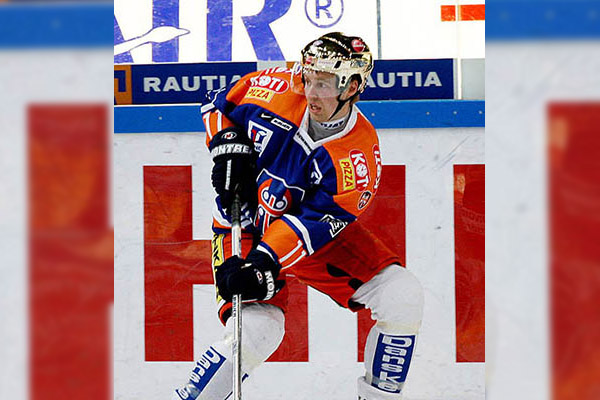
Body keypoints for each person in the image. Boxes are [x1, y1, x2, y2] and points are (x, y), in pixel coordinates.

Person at [173, 32, 424, 400]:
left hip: (309, 240)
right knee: (257, 330)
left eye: (324, 83)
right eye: (308, 78)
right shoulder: (275, 88)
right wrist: (226, 144)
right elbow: (217, 105)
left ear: (353, 86)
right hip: (243, 222)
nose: (311, 92)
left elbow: (312, 225)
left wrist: (263, 262)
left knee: (401, 295)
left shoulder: (358, 158)